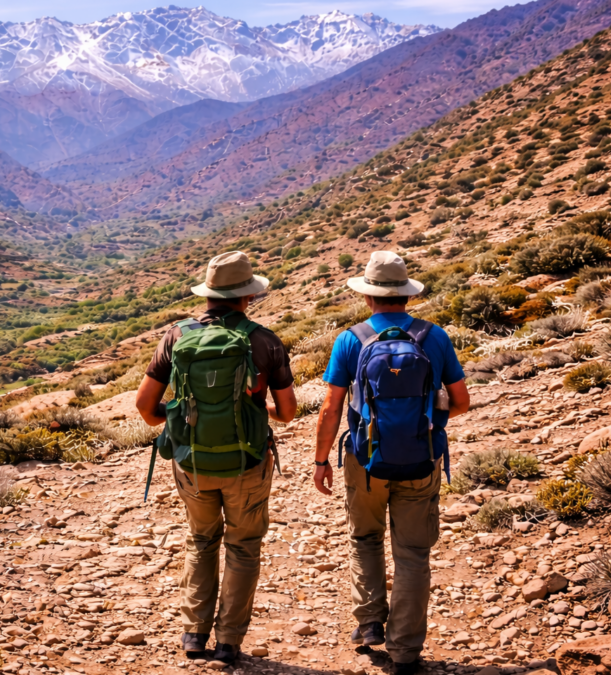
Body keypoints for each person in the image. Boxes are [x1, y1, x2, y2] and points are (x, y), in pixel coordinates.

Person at [135, 251, 297, 665]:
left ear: (208, 295)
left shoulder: (177, 336)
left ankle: (194, 635)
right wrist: (259, 414)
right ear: (247, 296)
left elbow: (145, 406)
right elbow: (290, 411)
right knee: (243, 546)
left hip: (192, 462)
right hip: (246, 463)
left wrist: (173, 425)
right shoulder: (263, 340)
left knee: (201, 541)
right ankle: (228, 643)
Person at [312, 251, 470, 675]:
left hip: (365, 460)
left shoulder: (351, 338)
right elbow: (462, 402)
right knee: (414, 554)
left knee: (365, 538)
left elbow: (330, 409)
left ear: (368, 297)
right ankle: (405, 651)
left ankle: (368, 626)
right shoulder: (433, 337)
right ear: (405, 295)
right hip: (422, 457)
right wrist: (428, 424)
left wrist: (321, 460)